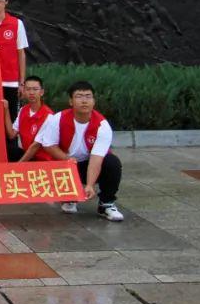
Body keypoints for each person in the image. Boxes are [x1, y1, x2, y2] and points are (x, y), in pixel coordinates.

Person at [22, 80, 125, 222]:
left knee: (112, 162)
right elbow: (48, 145)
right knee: (54, 165)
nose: (84, 101)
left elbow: (96, 159)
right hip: (65, 164)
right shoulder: (58, 119)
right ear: (71, 101)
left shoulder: (102, 125)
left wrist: (89, 185)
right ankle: (69, 196)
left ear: (94, 101)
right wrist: (67, 159)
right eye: (79, 96)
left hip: (87, 164)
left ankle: (106, 204)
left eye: (88, 96)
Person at [3, 75, 52, 162]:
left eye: (35, 89)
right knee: (6, 150)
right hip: (26, 153)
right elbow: (11, 134)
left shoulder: (49, 116)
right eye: (28, 89)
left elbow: (35, 147)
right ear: (24, 91)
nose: (31, 92)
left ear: (42, 92)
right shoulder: (23, 110)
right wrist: (6, 109)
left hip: (41, 159)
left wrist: (19, 166)